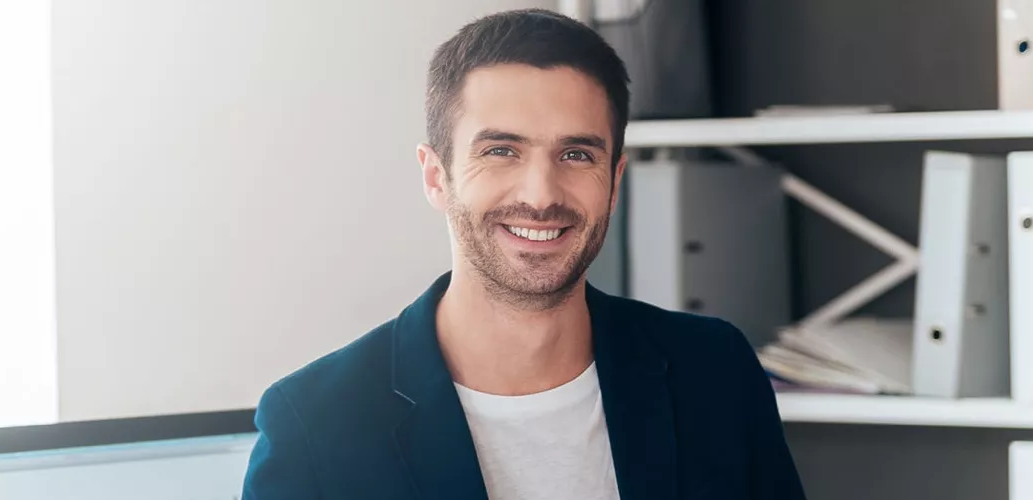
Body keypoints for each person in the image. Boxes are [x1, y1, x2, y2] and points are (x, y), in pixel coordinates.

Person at [242, 8, 804, 500]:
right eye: (501, 150)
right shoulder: (314, 423)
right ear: (437, 176)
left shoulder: (714, 372)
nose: (540, 195)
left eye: (577, 154)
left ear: (615, 179)